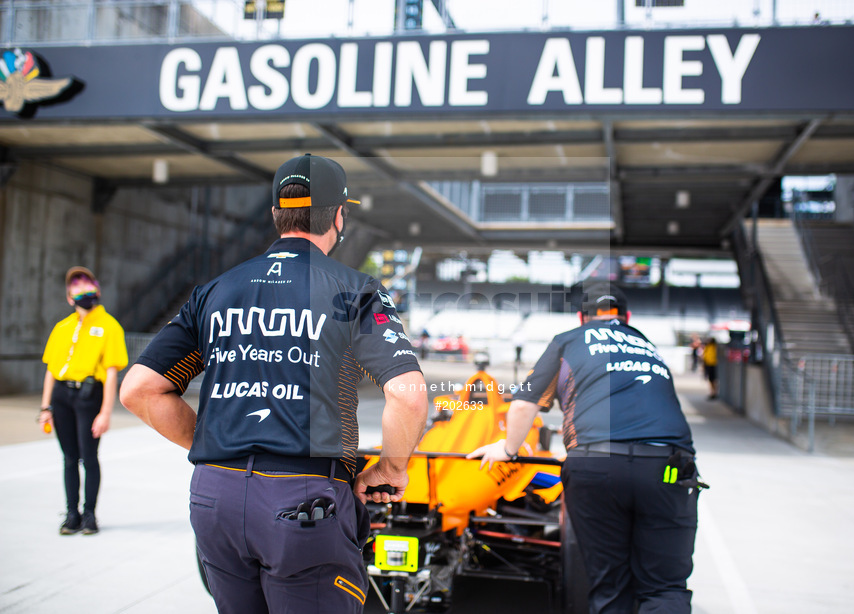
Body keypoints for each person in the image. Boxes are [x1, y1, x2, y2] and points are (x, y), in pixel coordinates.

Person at [119, 153, 429, 614]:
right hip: (304, 502)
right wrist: (391, 468)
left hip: (214, 498)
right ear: (339, 216)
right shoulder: (354, 290)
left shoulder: (217, 290)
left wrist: (214, 445)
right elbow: (407, 393)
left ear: (276, 215)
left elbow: (139, 390)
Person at [468, 281, 704, 614]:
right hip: (667, 466)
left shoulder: (569, 340)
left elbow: (523, 405)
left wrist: (508, 449)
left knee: (610, 585)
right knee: (664, 587)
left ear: (582, 317)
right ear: (627, 316)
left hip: (596, 466)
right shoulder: (645, 343)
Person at [38, 266, 128, 535]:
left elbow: (112, 372)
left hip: (90, 396)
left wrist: (105, 412)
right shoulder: (62, 327)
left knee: (89, 457)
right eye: (75, 286)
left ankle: (90, 514)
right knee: (69, 458)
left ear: (97, 290)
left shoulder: (109, 326)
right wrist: (45, 407)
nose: (82, 290)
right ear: (69, 297)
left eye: (86, 284)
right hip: (62, 396)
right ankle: (71, 514)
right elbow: (51, 371)